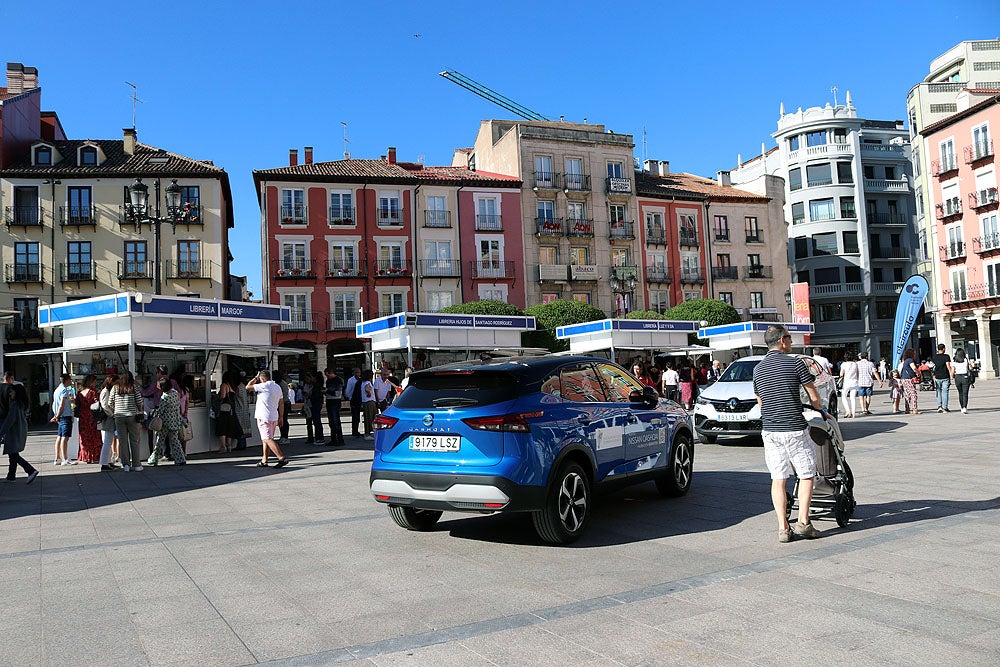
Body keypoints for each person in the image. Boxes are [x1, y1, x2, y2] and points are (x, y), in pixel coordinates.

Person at [753, 325, 827, 543]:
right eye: (790, 338)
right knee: (805, 474)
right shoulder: (795, 362)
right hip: (794, 427)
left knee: (778, 478)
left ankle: (783, 528)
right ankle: (803, 522)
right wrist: (820, 409)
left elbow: (761, 401)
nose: (791, 342)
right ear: (782, 340)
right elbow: (813, 395)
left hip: (770, 429)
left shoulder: (758, 368)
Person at [246, 370, 288, 468]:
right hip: (274, 416)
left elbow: (247, 387)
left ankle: (281, 458)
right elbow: (281, 402)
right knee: (266, 439)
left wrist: (255, 378)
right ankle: (264, 460)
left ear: (262, 379)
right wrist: (281, 416)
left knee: (267, 438)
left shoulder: (263, 386)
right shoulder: (277, 386)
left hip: (263, 416)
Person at [3, 383, 39, 484]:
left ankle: (30, 470)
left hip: (14, 432)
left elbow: (9, 420)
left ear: (16, 392)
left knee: (13, 453)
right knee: (13, 453)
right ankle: (11, 476)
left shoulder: (15, 404)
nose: (10, 394)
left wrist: (1, 431)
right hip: (20, 430)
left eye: (12, 391)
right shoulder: (22, 403)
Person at [109, 371, 145, 472]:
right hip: (132, 416)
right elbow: (139, 402)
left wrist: (115, 411)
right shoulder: (134, 387)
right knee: (134, 440)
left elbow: (110, 402)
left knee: (122, 441)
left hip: (119, 417)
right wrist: (139, 410)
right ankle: (137, 465)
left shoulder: (115, 387)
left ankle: (126, 465)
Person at [146, 377, 186, 465]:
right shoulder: (175, 394)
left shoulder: (165, 396)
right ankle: (181, 459)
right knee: (175, 441)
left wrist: (154, 413)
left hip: (165, 422)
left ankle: (153, 459)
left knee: (159, 441)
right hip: (175, 421)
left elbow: (161, 410)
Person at [49, 373, 77, 466]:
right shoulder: (64, 390)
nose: (71, 381)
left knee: (60, 437)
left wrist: (55, 415)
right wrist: (57, 415)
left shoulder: (57, 390)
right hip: (65, 415)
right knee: (65, 438)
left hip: (60, 416)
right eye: (70, 379)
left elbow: (54, 404)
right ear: (66, 380)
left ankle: (57, 458)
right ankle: (65, 459)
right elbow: (62, 404)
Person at [75, 374, 103, 463]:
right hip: (91, 417)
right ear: (91, 382)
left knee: (84, 437)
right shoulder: (93, 392)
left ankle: (85, 456)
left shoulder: (80, 393)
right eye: (95, 381)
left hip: (82, 417)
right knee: (94, 437)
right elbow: (97, 403)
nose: (96, 383)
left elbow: (76, 405)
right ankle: (94, 456)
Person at [215, 372, 243, 453]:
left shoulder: (224, 385)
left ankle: (223, 447)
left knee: (222, 428)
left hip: (224, 410)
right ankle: (229, 446)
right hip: (231, 410)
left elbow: (223, 396)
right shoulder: (233, 386)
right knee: (229, 428)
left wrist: (218, 395)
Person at [97, 374, 120, 470]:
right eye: (116, 382)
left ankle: (108, 461)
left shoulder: (107, 391)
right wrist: (112, 414)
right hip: (107, 419)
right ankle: (104, 463)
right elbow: (105, 406)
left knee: (108, 441)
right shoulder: (106, 391)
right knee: (107, 441)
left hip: (107, 418)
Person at [324, 368, 345, 446]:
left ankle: (340, 439)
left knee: (336, 421)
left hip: (335, 402)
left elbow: (338, 393)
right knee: (331, 422)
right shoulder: (328, 381)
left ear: (331, 373)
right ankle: (333, 439)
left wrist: (327, 391)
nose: (327, 377)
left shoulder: (338, 380)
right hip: (329, 401)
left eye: (327, 375)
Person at [931, 344, 954, 413]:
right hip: (945, 376)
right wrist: (951, 374)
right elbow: (948, 366)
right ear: (943, 349)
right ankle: (945, 407)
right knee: (945, 392)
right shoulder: (946, 356)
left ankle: (939, 406)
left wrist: (933, 375)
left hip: (937, 376)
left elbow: (933, 367)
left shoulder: (934, 357)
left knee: (938, 391)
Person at [233, 371, 252, 450]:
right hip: (245, 408)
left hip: (239, 408)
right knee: (244, 427)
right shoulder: (243, 386)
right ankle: (243, 444)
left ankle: (240, 444)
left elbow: (235, 396)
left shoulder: (238, 387)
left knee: (239, 427)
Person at [305, 371, 326, 444]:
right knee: (315, 421)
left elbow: (316, 396)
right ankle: (316, 438)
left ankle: (319, 438)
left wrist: (309, 396)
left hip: (315, 404)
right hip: (315, 404)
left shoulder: (317, 386)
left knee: (317, 421)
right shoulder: (316, 385)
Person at [272, 370, 291, 445]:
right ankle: (283, 436)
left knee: (283, 419)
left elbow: (281, 396)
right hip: (282, 402)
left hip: (284, 403)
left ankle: (284, 436)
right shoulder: (280, 383)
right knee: (282, 420)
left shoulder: (281, 384)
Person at [899, 349, 920, 414]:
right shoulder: (910, 360)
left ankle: (907, 409)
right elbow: (913, 368)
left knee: (907, 394)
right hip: (909, 379)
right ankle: (914, 409)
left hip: (904, 378)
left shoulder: (905, 361)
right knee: (913, 394)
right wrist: (917, 372)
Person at [952, 347, 972, 414]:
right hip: (965, 377)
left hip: (957, 377)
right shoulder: (966, 359)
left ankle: (961, 407)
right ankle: (964, 407)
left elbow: (952, 371)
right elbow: (970, 367)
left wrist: (953, 377)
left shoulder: (954, 360)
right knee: (965, 393)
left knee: (960, 393)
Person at [345, 367, 363, 438]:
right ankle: (354, 430)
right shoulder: (351, 380)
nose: (358, 374)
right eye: (356, 372)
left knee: (358, 416)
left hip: (359, 399)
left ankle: (357, 430)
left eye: (359, 372)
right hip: (353, 399)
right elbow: (348, 391)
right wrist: (350, 398)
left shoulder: (361, 380)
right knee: (354, 416)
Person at [360, 369, 376, 440]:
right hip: (369, 401)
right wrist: (369, 393)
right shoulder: (367, 382)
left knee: (368, 417)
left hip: (366, 401)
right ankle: (367, 433)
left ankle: (368, 432)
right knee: (369, 417)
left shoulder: (363, 382)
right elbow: (367, 389)